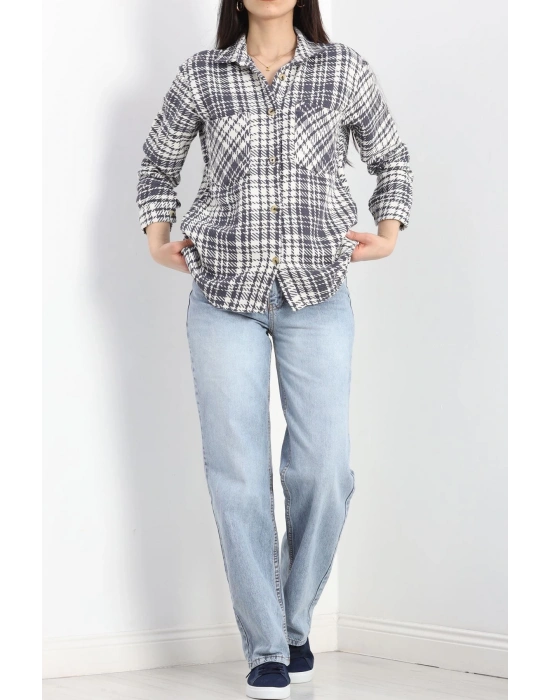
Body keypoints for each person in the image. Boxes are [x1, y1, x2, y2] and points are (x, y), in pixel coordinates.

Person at [136, 1, 413, 697]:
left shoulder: (342, 70)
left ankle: (292, 623)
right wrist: (158, 239)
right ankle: (266, 645)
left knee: (324, 471)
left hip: (317, 292)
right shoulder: (201, 75)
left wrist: (388, 232)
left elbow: (392, 157)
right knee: (238, 473)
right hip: (221, 293)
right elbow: (157, 164)